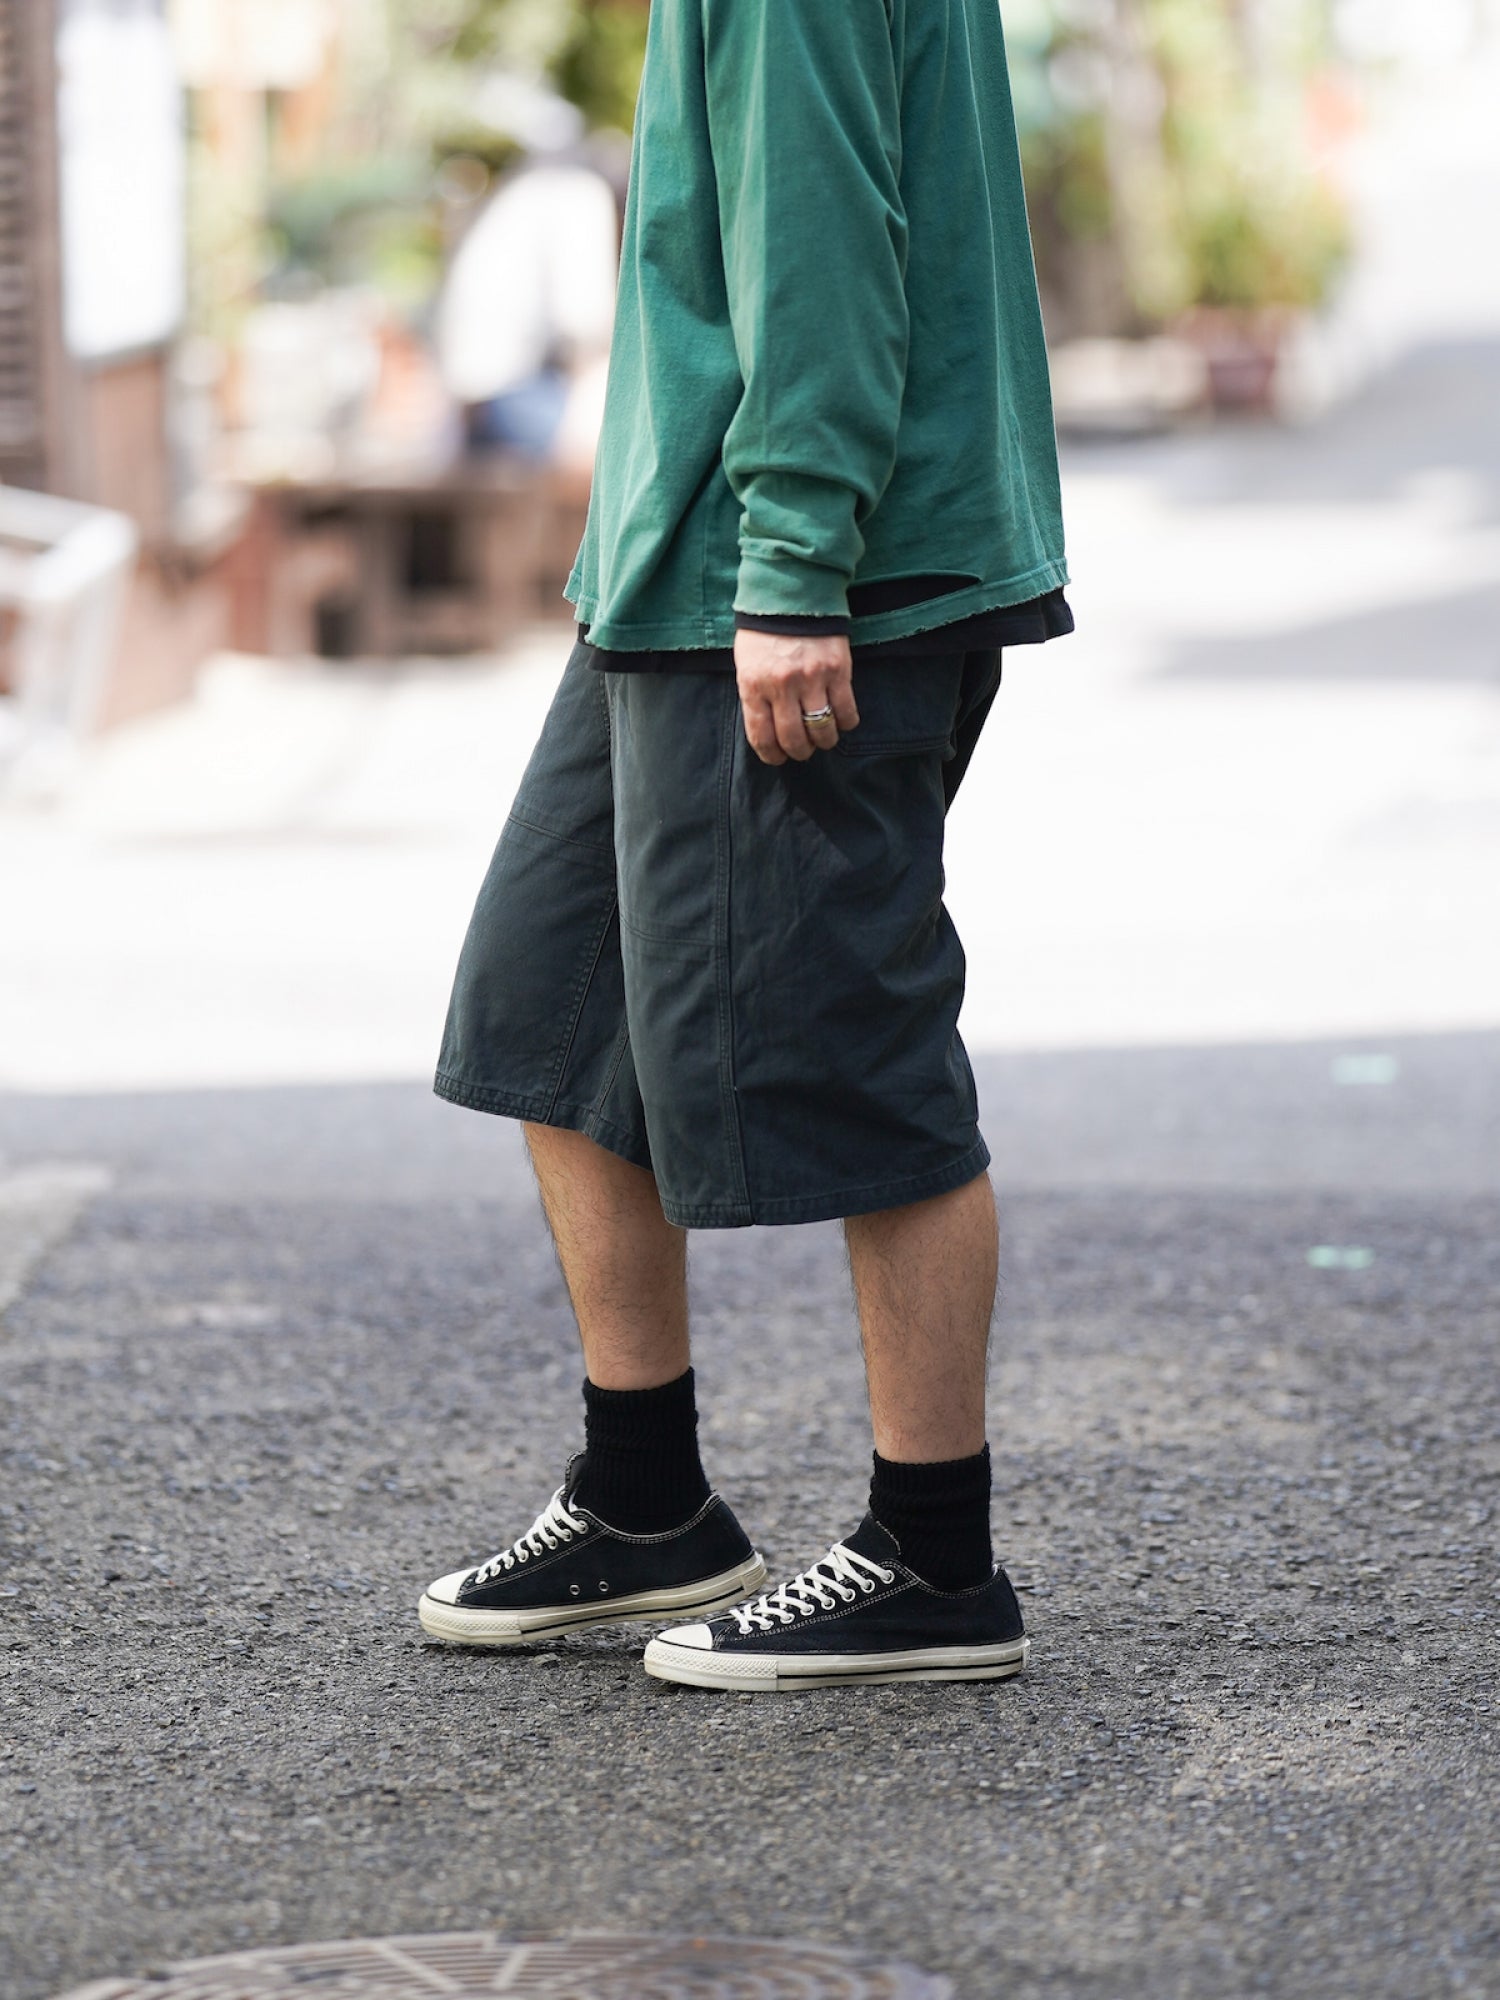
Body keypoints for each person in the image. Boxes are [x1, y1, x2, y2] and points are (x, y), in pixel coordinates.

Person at [418, 0, 1072, 1692]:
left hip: (798, 581)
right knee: (552, 1015)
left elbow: (822, 236)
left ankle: (935, 1559)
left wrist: (794, 565)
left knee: (857, 1046)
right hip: (674, 576)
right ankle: (647, 1502)